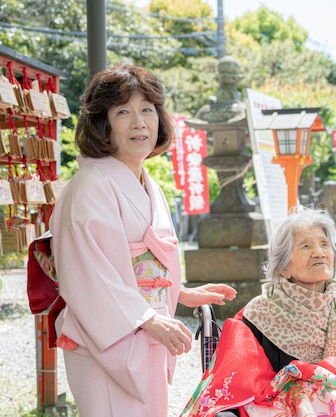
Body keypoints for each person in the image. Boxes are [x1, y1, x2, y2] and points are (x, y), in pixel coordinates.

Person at [49, 64, 237, 417]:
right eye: (123, 112)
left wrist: (178, 293)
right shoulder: (90, 184)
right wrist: (148, 317)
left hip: (145, 329)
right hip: (106, 338)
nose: (139, 123)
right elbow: (90, 273)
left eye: (147, 110)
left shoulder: (149, 185)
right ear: (103, 124)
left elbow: (143, 262)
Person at [180, 207, 336, 417]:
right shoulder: (260, 314)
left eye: (324, 244)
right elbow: (237, 383)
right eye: (306, 246)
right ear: (284, 267)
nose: (320, 252)